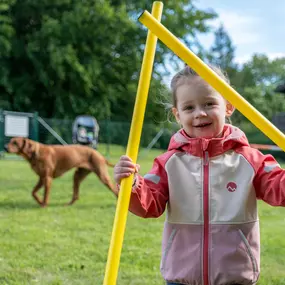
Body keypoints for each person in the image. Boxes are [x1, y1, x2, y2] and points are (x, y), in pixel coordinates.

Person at [114, 65, 285, 285]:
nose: (200, 113)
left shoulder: (251, 160)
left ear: (229, 106)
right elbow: (149, 204)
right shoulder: (168, 163)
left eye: (209, 103)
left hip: (235, 277)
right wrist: (132, 184)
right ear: (177, 114)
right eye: (189, 107)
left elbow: (278, 188)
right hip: (182, 277)